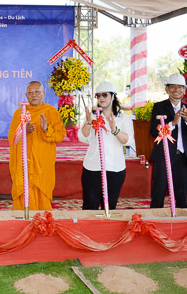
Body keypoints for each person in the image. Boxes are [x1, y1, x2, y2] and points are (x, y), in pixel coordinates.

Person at [8, 81, 65, 211]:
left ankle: (44, 221)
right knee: (24, 192)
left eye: (37, 92)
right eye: (30, 92)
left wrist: (46, 129)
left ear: (43, 94)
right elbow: (12, 138)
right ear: (26, 95)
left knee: (42, 193)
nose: (34, 95)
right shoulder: (20, 113)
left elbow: (60, 135)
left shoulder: (51, 112)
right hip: (24, 163)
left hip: (42, 163)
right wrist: (23, 130)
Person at [78, 82, 134, 210]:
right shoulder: (92, 116)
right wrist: (88, 122)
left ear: (113, 96)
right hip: (92, 167)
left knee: (109, 207)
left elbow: (128, 141)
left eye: (105, 95)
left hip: (115, 168)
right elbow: (82, 137)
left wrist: (115, 129)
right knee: (89, 205)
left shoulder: (123, 118)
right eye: (98, 96)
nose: (101, 98)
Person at [150, 73, 187, 209]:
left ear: (184, 90)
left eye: (180, 87)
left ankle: (181, 219)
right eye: (173, 87)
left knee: (181, 195)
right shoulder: (159, 107)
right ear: (167, 89)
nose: (176, 90)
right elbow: (154, 132)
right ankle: (154, 218)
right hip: (163, 156)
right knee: (159, 191)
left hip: (183, 157)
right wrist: (173, 123)